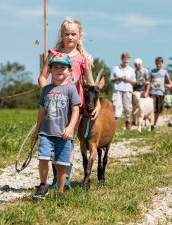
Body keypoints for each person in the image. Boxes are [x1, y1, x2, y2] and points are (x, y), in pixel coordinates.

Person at [38, 17, 100, 189]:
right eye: (67, 34)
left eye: (74, 34)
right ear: (62, 35)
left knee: (68, 140)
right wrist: (47, 92)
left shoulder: (83, 59)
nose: (70, 37)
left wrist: (98, 104)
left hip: (74, 106)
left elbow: (91, 83)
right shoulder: (54, 55)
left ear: (80, 36)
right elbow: (43, 77)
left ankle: (63, 179)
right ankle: (54, 177)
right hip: (54, 105)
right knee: (51, 137)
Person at [32, 52, 81, 199]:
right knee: (43, 159)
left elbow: (76, 109)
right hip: (46, 133)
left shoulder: (71, 90)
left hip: (63, 135)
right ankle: (42, 185)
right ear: (51, 71)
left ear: (69, 70)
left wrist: (71, 127)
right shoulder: (46, 90)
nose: (59, 70)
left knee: (61, 166)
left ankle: (60, 192)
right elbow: (41, 111)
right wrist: (37, 130)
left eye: (63, 67)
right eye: (56, 67)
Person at [110, 52, 136, 130]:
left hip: (127, 89)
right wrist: (118, 78)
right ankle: (115, 123)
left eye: (127, 59)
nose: (125, 60)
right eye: (124, 58)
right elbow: (111, 79)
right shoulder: (116, 68)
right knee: (116, 105)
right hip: (117, 89)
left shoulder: (131, 70)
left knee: (128, 106)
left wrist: (127, 79)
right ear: (122, 59)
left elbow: (134, 81)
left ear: (129, 60)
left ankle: (128, 120)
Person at [146, 56, 172, 129]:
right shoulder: (152, 72)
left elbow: (170, 82)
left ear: (162, 63)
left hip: (161, 93)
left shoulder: (164, 72)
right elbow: (148, 80)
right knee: (152, 109)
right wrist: (147, 83)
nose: (158, 65)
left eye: (160, 64)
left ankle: (154, 124)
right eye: (157, 63)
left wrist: (169, 85)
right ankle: (151, 125)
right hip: (153, 92)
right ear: (155, 63)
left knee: (159, 109)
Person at [132, 58, 150, 125]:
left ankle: (144, 121)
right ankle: (135, 122)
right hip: (135, 91)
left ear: (139, 64)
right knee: (134, 107)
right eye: (134, 65)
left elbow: (148, 82)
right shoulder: (134, 72)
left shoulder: (145, 71)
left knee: (142, 107)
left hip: (143, 91)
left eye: (136, 65)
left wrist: (147, 92)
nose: (135, 66)